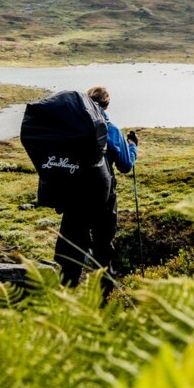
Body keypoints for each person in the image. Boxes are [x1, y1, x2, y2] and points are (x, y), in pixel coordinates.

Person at [54, 86, 138, 297]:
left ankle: (64, 298)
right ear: (107, 105)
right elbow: (126, 165)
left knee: (72, 251)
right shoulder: (111, 130)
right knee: (103, 250)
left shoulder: (72, 127)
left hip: (74, 199)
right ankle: (103, 301)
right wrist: (132, 146)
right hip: (103, 199)